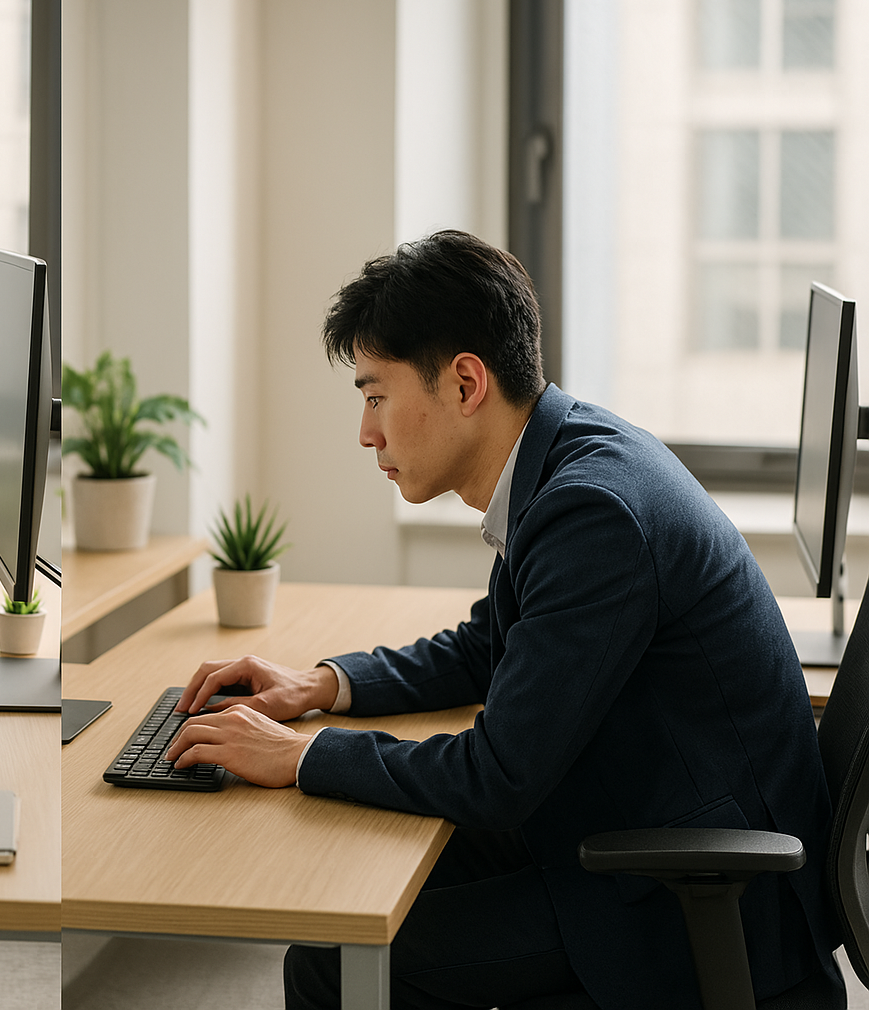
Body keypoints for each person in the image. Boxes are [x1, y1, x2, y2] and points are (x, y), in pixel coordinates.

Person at [164, 230, 842, 1010]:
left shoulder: (594, 512)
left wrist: (300, 756)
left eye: (376, 396)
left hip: (685, 895)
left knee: (334, 961)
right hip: (618, 815)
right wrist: (321, 685)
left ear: (464, 383)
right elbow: (490, 646)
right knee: (355, 882)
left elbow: (499, 776)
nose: (366, 433)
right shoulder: (567, 461)